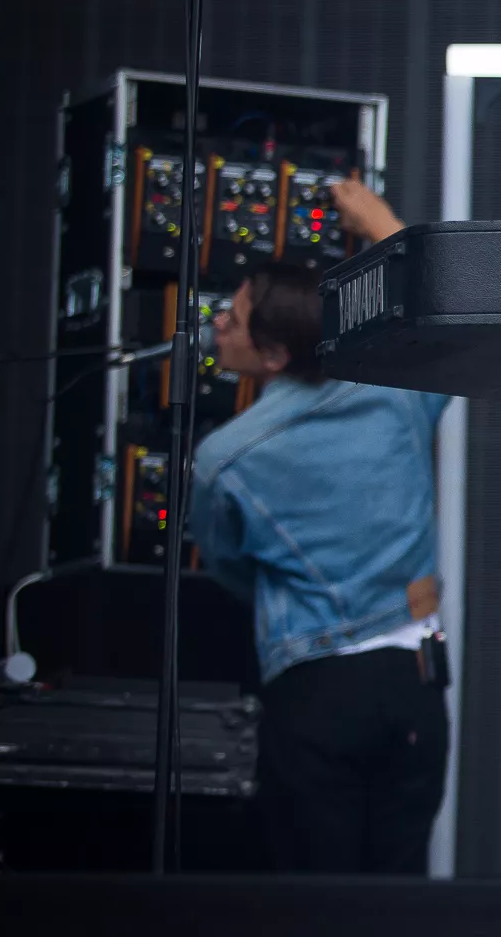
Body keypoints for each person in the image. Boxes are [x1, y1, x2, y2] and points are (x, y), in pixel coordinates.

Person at [191, 180, 452, 873]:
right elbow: (441, 321)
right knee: (400, 899)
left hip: (315, 693)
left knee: (315, 905)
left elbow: (227, 565)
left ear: (275, 355)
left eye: (234, 318)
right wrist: (380, 220)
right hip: (415, 688)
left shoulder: (224, 458)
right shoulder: (396, 393)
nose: (219, 324)